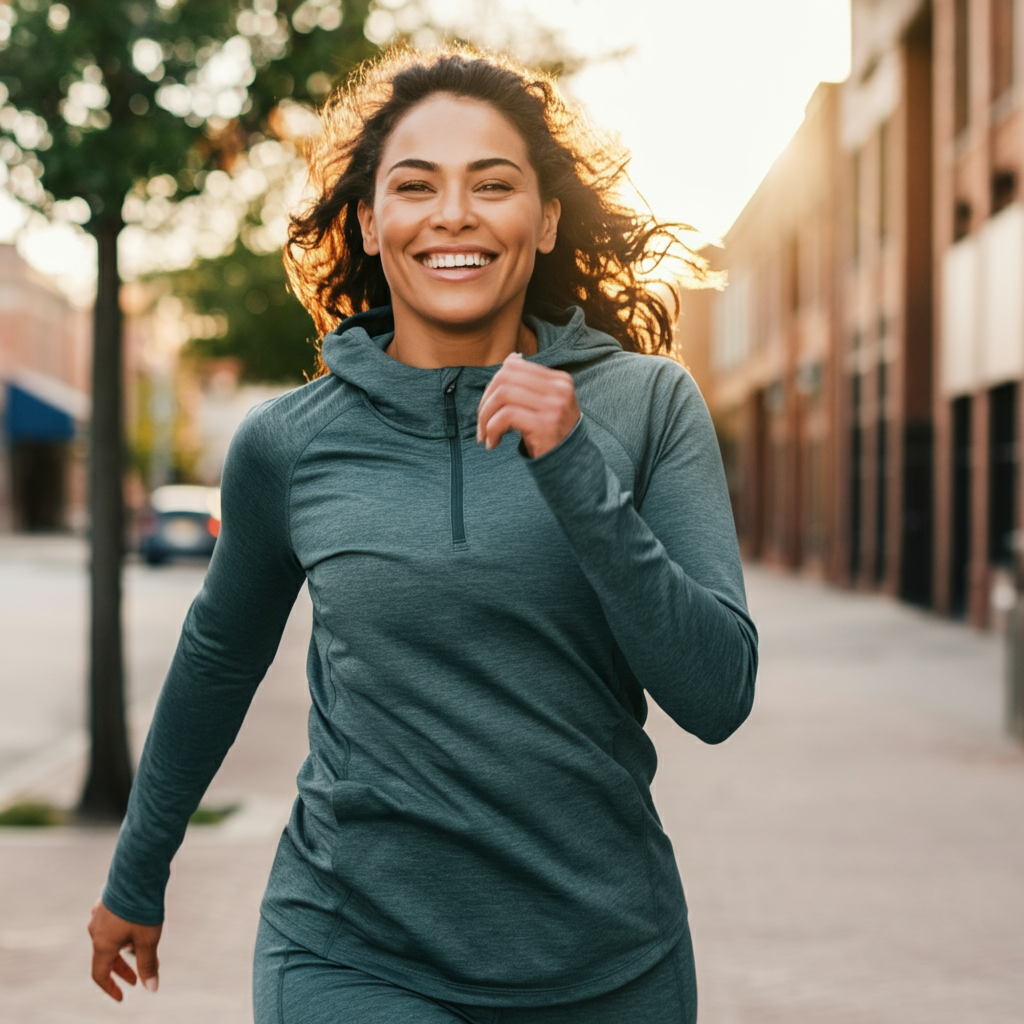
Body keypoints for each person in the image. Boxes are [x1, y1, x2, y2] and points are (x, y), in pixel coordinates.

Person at [88, 47, 757, 1023]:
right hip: (351, 950)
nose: (453, 214)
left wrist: (572, 465)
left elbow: (717, 692)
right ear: (369, 220)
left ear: (546, 217)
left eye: (493, 185)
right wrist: (136, 869)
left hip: (609, 964)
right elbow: (218, 658)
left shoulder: (647, 405)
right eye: (415, 186)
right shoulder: (287, 443)